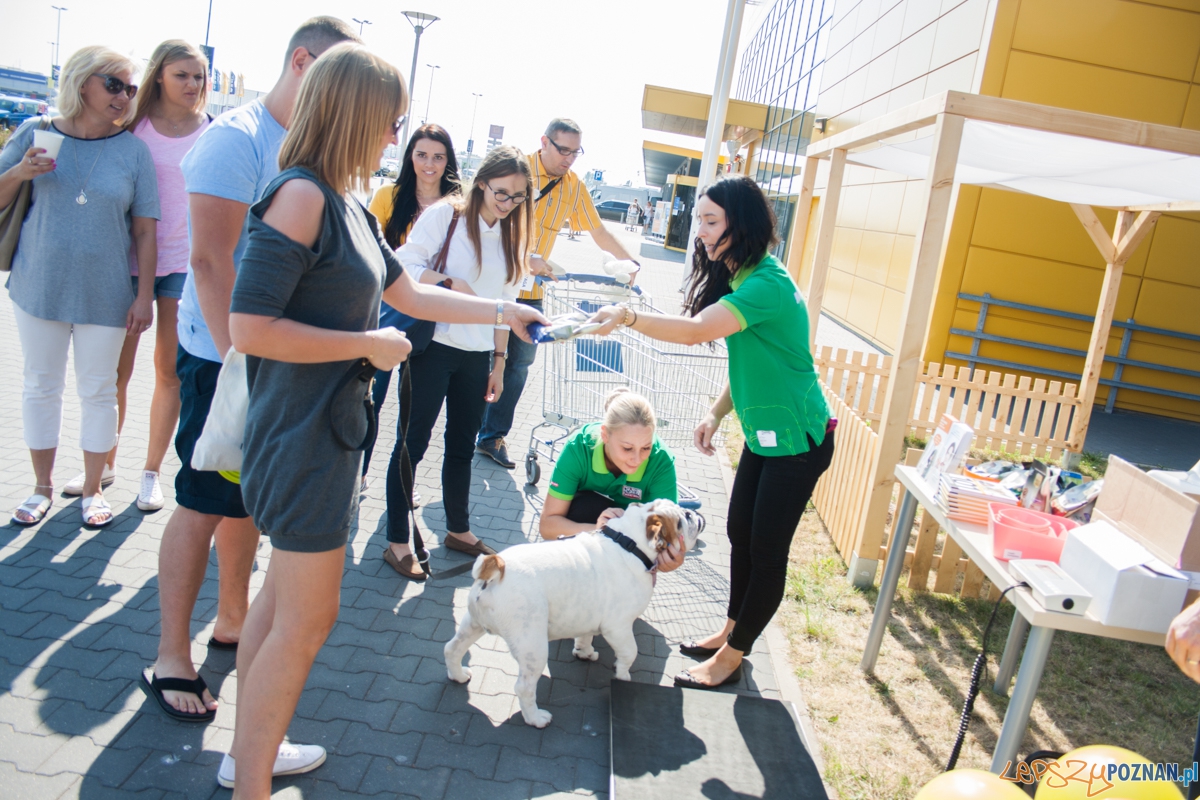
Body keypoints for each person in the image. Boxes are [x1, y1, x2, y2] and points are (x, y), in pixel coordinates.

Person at [224, 44, 545, 794]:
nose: (395, 138)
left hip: (323, 432)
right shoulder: (302, 196)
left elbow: (417, 295)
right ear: (354, 115)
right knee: (302, 623)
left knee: (276, 611)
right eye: (389, 120)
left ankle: (248, 757)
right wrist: (367, 345)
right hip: (302, 434)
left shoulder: (344, 203)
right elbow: (250, 326)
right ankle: (251, 780)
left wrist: (507, 311)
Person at [141, 18, 361, 731]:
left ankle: (232, 621)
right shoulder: (237, 141)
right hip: (226, 362)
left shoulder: (313, 152)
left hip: (274, 365)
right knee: (203, 503)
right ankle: (172, 654)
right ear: (303, 62)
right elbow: (210, 262)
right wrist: (248, 354)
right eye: (335, 76)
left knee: (245, 507)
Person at [589, 175, 835, 689]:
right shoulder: (745, 276)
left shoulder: (765, 283)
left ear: (739, 224)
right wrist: (718, 412)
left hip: (799, 442)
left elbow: (698, 330)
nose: (699, 230)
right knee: (739, 535)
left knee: (766, 550)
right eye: (699, 218)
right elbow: (756, 360)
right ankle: (731, 630)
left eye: (710, 221)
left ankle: (734, 656)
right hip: (766, 437)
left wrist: (630, 316)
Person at [0, 46, 159, 528]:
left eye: (130, 89)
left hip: (106, 293)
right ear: (81, 83)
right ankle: (40, 488)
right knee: (40, 386)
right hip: (39, 286)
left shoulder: (133, 150)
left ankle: (93, 490)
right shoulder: (36, 133)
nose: (124, 97)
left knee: (99, 392)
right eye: (114, 85)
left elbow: (146, 229)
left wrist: (144, 294)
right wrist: (20, 172)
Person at [381, 144, 532, 581]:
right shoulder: (446, 216)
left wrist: (499, 362)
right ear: (482, 182)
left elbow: (508, 303)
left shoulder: (511, 233)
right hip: (433, 346)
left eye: (518, 197)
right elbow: (403, 264)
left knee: (462, 446)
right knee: (412, 443)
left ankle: (458, 529)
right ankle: (397, 540)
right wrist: (450, 282)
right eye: (502, 193)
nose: (508, 204)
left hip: (477, 355)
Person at [475, 118, 641, 471]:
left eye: (575, 151)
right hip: (491, 283)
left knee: (519, 364)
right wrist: (523, 257)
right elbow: (481, 219)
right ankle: (464, 427)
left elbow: (596, 229)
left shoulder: (573, 186)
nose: (569, 158)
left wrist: (629, 261)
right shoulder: (516, 168)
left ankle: (491, 436)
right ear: (544, 142)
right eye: (562, 149)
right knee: (475, 355)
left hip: (531, 292)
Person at [99, 40, 211, 513]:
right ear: (160, 75)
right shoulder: (131, 126)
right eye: (182, 74)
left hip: (183, 265)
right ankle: (102, 463)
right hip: (124, 259)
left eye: (199, 77)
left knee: (169, 371)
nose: (192, 85)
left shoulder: (212, 131)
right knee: (112, 372)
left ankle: (151, 472)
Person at [360, 123, 461, 489]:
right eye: (421, 155)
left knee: (416, 412)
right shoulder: (389, 196)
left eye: (438, 156)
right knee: (370, 396)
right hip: (386, 312)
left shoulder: (460, 204)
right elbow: (368, 249)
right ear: (410, 157)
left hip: (432, 318)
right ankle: (359, 473)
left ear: (449, 160)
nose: (429, 164)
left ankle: (402, 484)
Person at [539, 387, 686, 579]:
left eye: (646, 447)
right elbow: (548, 526)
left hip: (630, 545)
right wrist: (602, 531)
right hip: (592, 538)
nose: (637, 458)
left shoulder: (661, 462)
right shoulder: (578, 448)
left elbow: (661, 538)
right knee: (581, 507)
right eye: (627, 448)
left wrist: (667, 557)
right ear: (605, 435)